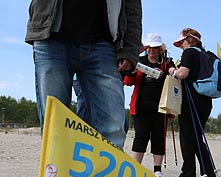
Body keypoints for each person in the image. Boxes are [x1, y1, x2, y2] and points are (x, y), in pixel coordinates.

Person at [25, 0, 142, 150]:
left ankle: (107, 174)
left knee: (113, 127)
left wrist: (130, 49)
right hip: (51, 37)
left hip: (103, 43)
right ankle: (57, 173)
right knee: (54, 126)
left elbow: (132, 7)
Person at [123, 33, 175, 177]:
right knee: (141, 136)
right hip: (140, 105)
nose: (152, 51)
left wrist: (164, 74)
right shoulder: (139, 61)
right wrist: (131, 73)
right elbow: (127, 82)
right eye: (150, 47)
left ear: (160, 48)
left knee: (159, 136)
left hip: (161, 106)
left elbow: (175, 83)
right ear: (146, 47)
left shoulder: (167, 63)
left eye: (156, 48)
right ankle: (135, 168)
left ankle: (157, 170)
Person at [168, 28, 216, 177]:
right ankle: (208, 171)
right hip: (205, 101)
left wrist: (172, 71)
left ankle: (188, 174)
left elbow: (182, 74)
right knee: (196, 136)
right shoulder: (206, 54)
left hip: (191, 101)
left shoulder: (189, 53)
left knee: (187, 137)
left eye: (181, 42)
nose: (181, 46)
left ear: (188, 39)